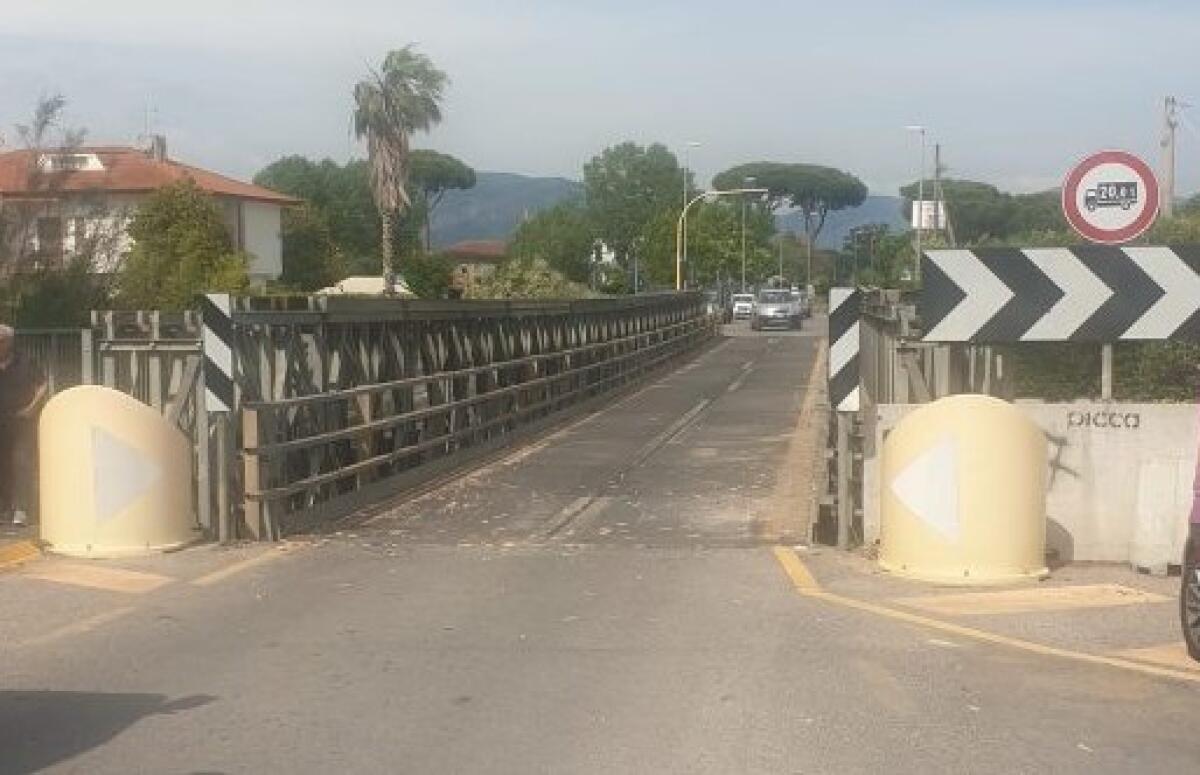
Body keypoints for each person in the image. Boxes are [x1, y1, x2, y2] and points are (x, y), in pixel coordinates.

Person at [0, 325, 47, 525]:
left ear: (9, 341)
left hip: (22, 421)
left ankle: (21, 509)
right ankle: (4, 508)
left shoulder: (26, 361)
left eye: (1, 341)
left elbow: (43, 385)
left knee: (21, 463)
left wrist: (31, 408)